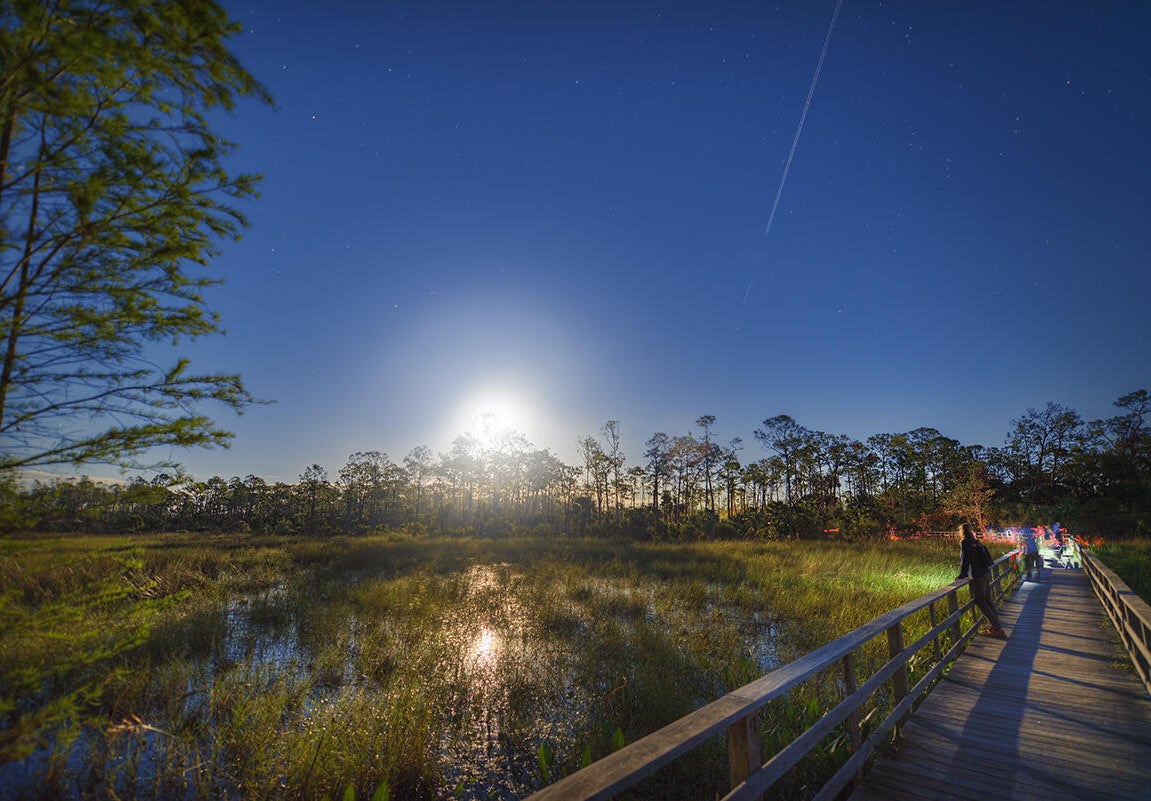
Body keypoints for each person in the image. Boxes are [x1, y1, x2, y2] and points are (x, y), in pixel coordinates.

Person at [956, 524, 1007, 638]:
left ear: (961, 532)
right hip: (985, 573)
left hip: (977, 575)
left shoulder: (964, 542)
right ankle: (995, 626)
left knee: (981, 601)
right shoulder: (976, 541)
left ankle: (997, 628)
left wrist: (962, 575)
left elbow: (965, 559)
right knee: (988, 599)